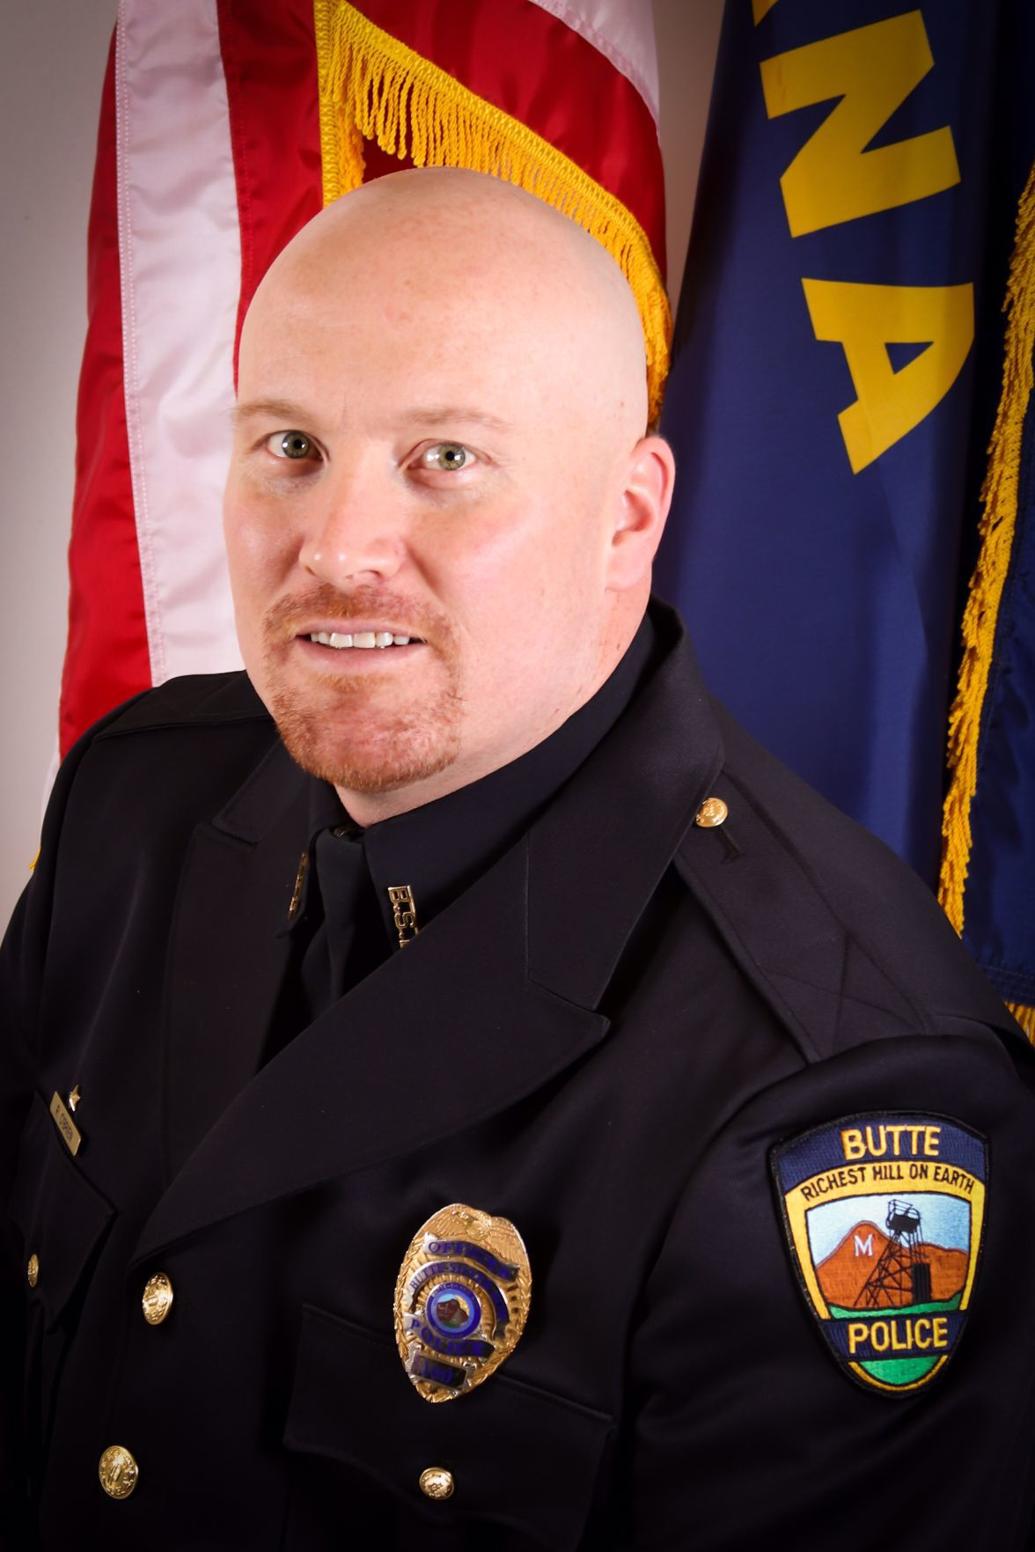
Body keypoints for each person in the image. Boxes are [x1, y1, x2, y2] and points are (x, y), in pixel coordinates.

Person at [3, 167, 1034, 1551]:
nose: (338, 550)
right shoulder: (137, 802)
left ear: (628, 517)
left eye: (446, 459)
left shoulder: (833, 1081)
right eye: (291, 445)